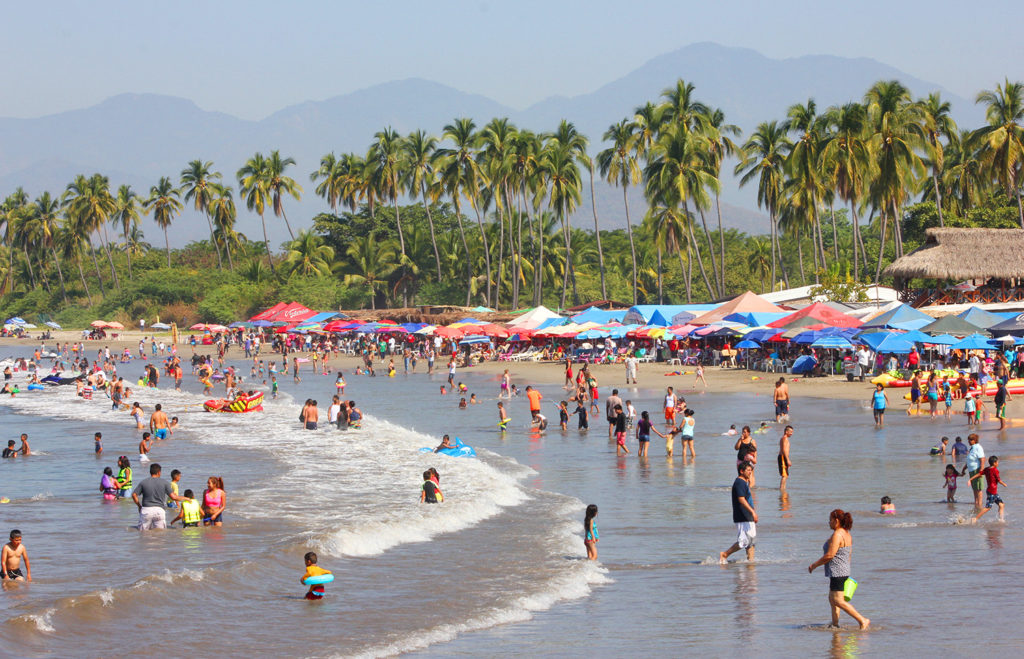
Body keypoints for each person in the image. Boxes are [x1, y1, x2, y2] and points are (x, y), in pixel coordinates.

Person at [807, 509, 870, 630]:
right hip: (842, 570)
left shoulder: (838, 535)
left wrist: (814, 565)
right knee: (832, 598)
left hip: (838, 572)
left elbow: (830, 555)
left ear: (836, 521)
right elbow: (849, 553)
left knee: (838, 600)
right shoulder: (846, 533)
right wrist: (846, 567)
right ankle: (835, 624)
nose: (828, 522)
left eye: (830, 520)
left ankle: (862, 620)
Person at [720, 462, 757, 563]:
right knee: (744, 542)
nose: (750, 472)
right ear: (741, 471)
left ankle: (751, 563)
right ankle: (725, 554)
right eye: (748, 470)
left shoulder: (744, 482)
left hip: (747, 516)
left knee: (751, 541)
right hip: (742, 516)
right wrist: (752, 512)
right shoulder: (739, 483)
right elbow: (741, 500)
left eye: (751, 470)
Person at [131, 463, 185, 530]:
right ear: (159, 472)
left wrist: (139, 506)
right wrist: (186, 498)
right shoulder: (165, 483)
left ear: (150, 472)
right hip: (159, 511)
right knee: (160, 535)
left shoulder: (143, 482)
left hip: (146, 510)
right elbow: (174, 497)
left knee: (143, 534)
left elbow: (134, 495)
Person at [970, 455, 1006, 523]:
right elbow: (998, 480)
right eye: (997, 462)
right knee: (988, 507)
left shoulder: (987, 469)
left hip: (992, 491)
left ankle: (1001, 520)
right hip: (992, 491)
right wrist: (1004, 484)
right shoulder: (995, 470)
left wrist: (971, 479)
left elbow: (979, 474)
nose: (998, 463)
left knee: (1001, 505)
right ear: (994, 463)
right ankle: (975, 518)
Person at [961, 433, 986, 510]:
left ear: (975, 440)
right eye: (968, 439)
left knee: (978, 488)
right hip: (971, 470)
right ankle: (976, 503)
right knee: (974, 488)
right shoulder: (972, 448)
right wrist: (964, 468)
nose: (969, 441)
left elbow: (982, 459)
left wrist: (981, 470)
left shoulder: (978, 447)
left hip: (977, 470)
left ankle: (979, 504)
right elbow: (969, 460)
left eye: (971, 440)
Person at [778, 425, 793, 489]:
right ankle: (782, 490)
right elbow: (784, 449)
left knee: (785, 475)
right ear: (786, 431)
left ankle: (783, 489)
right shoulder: (784, 439)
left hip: (784, 457)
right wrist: (787, 460)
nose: (792, 433)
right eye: (791, 432)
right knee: (784, 475)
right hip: (783, 457)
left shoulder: (784, 438)